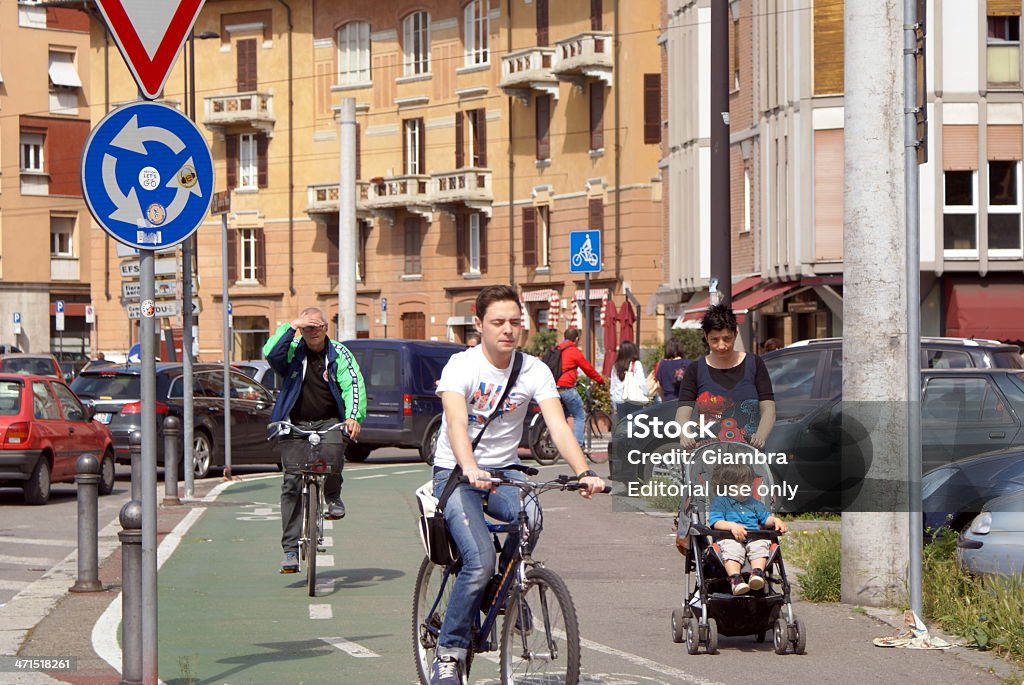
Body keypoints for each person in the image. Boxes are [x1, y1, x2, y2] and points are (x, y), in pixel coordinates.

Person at [428, 285, 605, 685]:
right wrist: (470, 467)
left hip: (505, 470)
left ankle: (502, 589)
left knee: (531, 518)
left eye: (514, 321)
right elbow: (456, 421)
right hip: (456, 472)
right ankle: (449, 652)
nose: (508, 329)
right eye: (498, 322)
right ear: (479, 325)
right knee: (478, 561)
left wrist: (583, 472)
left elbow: (558, 425)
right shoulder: (462, 366)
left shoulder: (534, 370)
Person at [263, 307, 366, 574]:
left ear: (326, 328)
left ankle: (333, 497)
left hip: (329, 419)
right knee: (291, 483)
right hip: (295, 422)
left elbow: (353, 384)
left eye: (317, 326)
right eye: (308, 327)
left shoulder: (339, 354)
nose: (313, 332)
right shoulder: (293, 350)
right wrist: (292, 325)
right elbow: (270, 353)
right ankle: (289, 549)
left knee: (333, 455)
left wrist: (353, 417)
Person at [676, 304, 776, 450]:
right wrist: (685, 434)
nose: (721, 345)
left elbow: (769, 408)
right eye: (714, 340)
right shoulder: (695, 369)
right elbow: (682, 414)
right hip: (708, 456)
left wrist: (760, 436)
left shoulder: (754, 364)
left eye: (726, 339)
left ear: (735, 334)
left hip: (748, 455)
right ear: (706, 336)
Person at [708, 463, 788, 595]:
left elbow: (765, 519)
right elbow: (716, 522)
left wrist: (775, 520)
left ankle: (757, 573)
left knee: (761, 545)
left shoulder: (754, 503)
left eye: (749, 485)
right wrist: (732, 526)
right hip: (730, 538)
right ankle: (735, 579)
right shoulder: (721, 502)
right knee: (732, 550)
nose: (747, 488)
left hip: (753, 537)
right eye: (742, 485)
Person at [550, 328, 604, 448]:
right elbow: (588, 369)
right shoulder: (574, 351)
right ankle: (578, 446)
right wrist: (600, 380)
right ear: (577, 339)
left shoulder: (558, 349)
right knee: (579, 415)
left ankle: (559, 443)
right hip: (567, 388)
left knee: (561, 417)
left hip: (553, 388)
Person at [609, 340, 646, 421]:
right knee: (635, 425)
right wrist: (645, 394)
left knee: (624, 424)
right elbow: (642, 383)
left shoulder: (616, 366)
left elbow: (613, 386)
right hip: (634, 399)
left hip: (619, 399)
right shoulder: (636, 364)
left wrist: (613, 400)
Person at [655, 338, 689, 402]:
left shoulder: (663, 364)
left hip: (668, 401)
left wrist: (663, 399)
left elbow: (658, 386)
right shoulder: (688, 363)